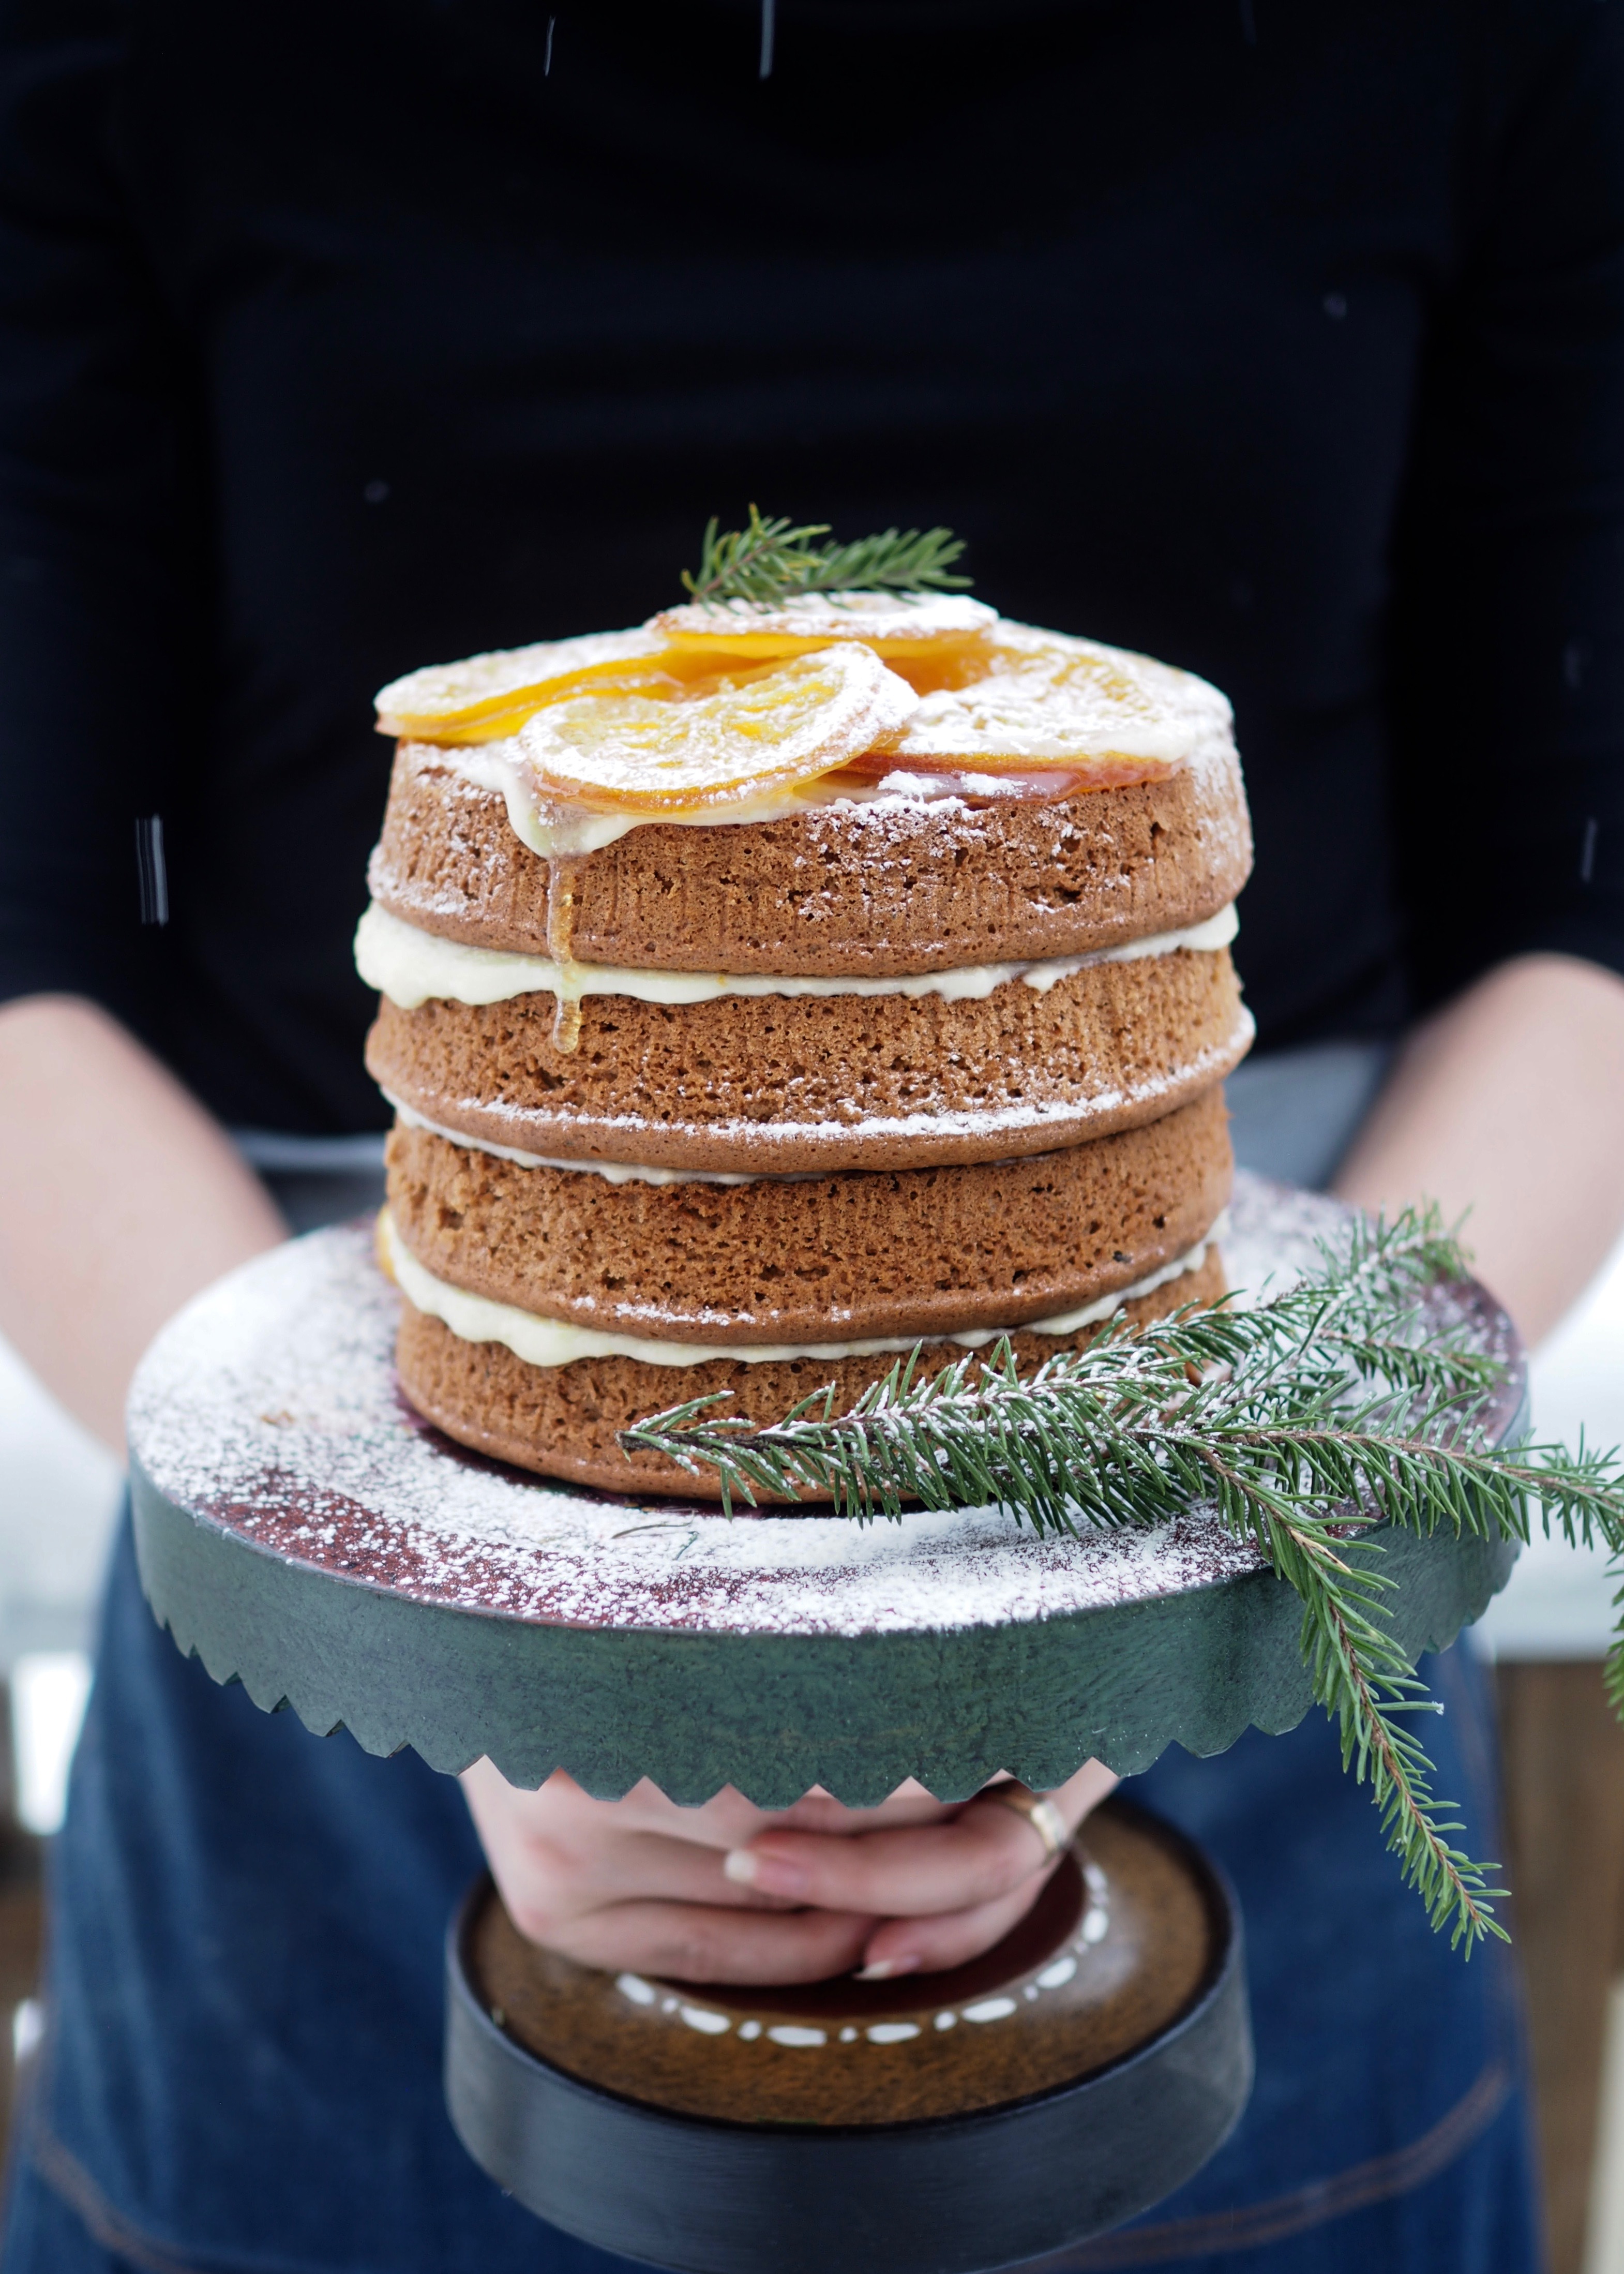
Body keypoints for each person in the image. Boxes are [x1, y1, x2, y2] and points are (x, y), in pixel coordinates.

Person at [1, 2, 1622, 2266]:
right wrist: (499, 1641)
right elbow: (19, 955)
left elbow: (1581, 904)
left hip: (1237, 1451)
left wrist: (1142, 1606)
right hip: (362, 1488)